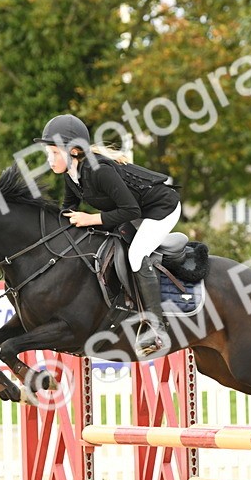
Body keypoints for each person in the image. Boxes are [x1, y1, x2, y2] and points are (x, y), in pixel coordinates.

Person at [36, 114, 182, 357]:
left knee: (136, 254)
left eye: (53, 153)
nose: (49, 160)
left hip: (161, 208)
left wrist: (91, 218)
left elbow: (130, 210)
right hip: (134, 212)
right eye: (48, 153)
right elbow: (68, 212)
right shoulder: (72, 175)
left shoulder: (99, 171)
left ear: (73, 151)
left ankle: (156, 328)